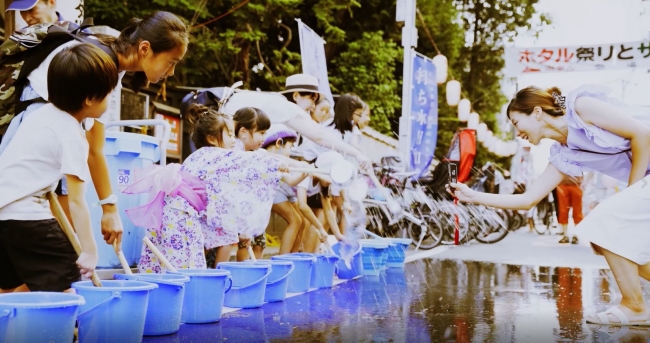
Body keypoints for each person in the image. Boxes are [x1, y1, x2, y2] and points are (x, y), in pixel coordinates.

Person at [449, 85, 650, 325]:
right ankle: (635, 306)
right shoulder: (564, 154)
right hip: (644, 182)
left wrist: (631, 192)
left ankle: (635, 307)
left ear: (536, 112)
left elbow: (642, 135)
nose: (517, 133)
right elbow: (527, 200)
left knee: (602, 224)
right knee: (602, 238)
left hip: (642, 181)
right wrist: (473, 196)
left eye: (516, 122)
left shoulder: (581, 108)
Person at [0, 11, 189, 251]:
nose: (171, 72)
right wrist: (108, 210)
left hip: (28, 155)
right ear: (144, 49)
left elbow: (95, 148)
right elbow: (92, 151)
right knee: (55, 251)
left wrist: (108, 208)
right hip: (32, 159)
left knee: (43, 258)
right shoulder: (100, 64)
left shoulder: (105, 57)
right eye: (171, 62)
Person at [0, 43, 118, 292]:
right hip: (26, 217)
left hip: (3, 214)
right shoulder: (72, 134)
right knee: (65, 278)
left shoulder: (40, 116)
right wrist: (90, 251)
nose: (109, 99)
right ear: (89, 99)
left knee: (9, 287)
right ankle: (63, 328)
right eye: (108, 93)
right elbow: (77, 202)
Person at [231, 107, 271, 261]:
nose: (264, 138)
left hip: (252, 211)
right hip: (239, 211)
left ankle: (252, 274)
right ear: (243, 132)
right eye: (261, 133)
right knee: (242, 243)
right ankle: (240, 276)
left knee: (259, 242)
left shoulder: (255, 154)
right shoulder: (235, 154)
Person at [262, 124, 310, 255]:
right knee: (295, 220)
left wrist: (303, 173)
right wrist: (298, 164)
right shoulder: (265, 155)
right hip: (273, 192)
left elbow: (291, 180)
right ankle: (283, 259)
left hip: (283, 191)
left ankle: (293, 257)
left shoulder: (282, 163)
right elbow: (275, 159)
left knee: (303, 221)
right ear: (279, 143)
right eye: (290, 146)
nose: (291, 151)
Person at [555, 175, 583, 244]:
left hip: (575, 184)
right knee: (563, 210)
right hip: (563, 184)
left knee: (577, 211)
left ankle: (576, 235)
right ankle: (565, 235)